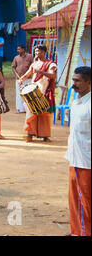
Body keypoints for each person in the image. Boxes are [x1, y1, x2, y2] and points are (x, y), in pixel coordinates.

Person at [65, 66, 91, 236]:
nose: (73, 84)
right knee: (74, 198)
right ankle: (77, 231)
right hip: (75, 158)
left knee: (86, 201)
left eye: (77, 81)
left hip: (87, 161)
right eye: (73, 80)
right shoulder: (76, 100)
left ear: (89, 82)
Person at [18, 45, 56, 142]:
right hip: (34, 90)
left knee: (44, 114)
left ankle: (45, 135)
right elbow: (27, 74)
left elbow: (52, 75)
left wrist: (40, 71)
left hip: (44, 90)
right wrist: (22, 79)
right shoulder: (34, 64)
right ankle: (30, 134)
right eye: (35, 51)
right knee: (31, 111)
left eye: (38, 51)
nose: (36, 53)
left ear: (43, 52)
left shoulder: (51, 64)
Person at [12, 45, 33, 113]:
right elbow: (13, 68)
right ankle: (19, 109)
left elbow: (33, 66)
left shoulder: (29, 56)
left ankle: (28, 109)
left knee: (28, 93)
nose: (18, 51)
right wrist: (18, 77)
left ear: (23, 49)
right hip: (19, 79)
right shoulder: (16, 58)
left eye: (19, 49)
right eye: (17, 49)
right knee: (19, 94)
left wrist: (27, 75)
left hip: (28, 78)